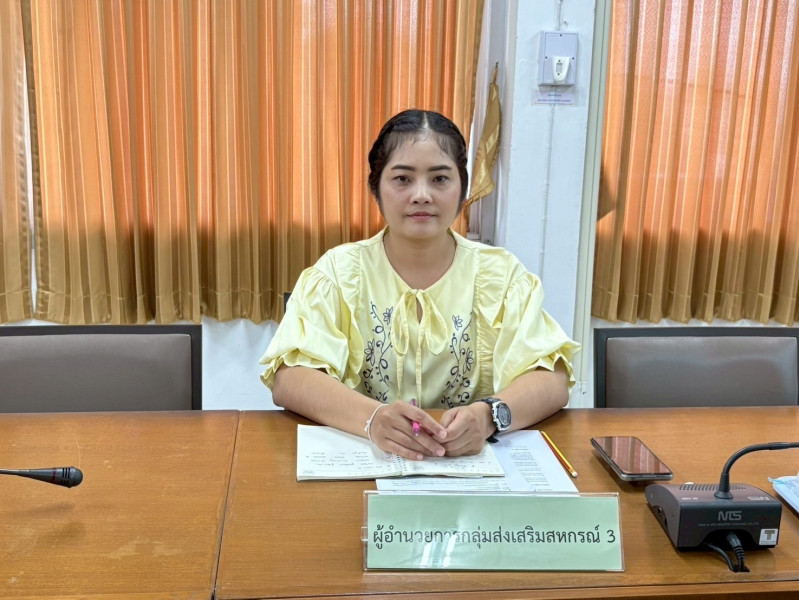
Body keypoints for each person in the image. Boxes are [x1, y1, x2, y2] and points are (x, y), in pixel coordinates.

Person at [260, 108, 579, 460]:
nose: (422, 195)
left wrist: (488, 416)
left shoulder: (500, 275)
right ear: (376, 188)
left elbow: (552, 380)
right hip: (368, 463)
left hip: (468, 466)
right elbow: (290, 379)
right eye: (402, 179)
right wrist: (373, 419)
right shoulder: (339, 272)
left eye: (440, 179)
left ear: (462, 189)